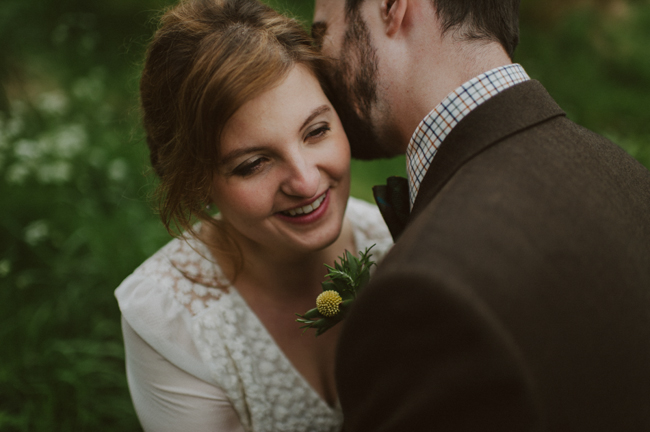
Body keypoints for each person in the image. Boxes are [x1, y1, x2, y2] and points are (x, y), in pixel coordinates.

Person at [312, 0, 650, 430]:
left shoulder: (426, 292)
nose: (318, 65)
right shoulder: (629, 177)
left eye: (322, 34)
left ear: (392, 7)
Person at [114, 1, 392, 431]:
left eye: (316, 131)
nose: (304, 181)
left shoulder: (399, 244)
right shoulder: (169, 319)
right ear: (195, 181)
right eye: (253, 164)